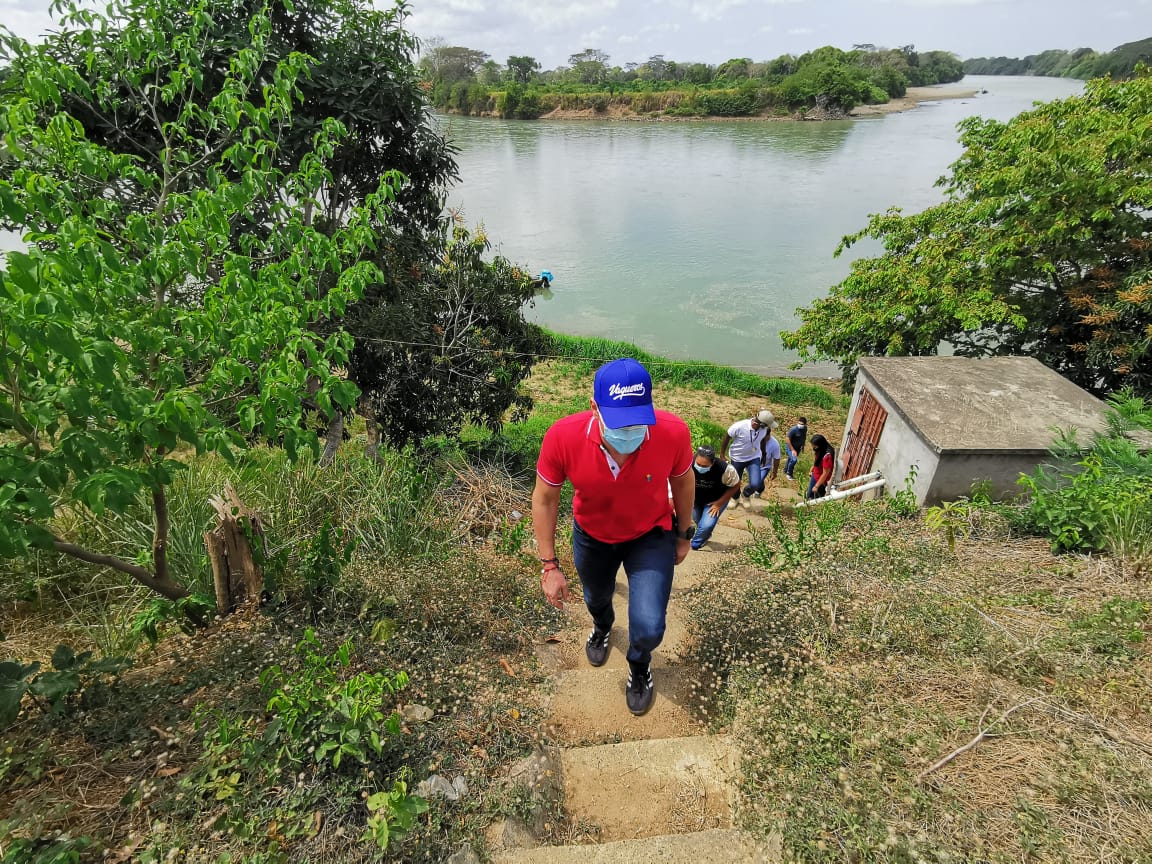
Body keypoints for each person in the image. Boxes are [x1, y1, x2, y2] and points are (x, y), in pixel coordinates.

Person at [532, 358, 695, 717]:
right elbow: (545, 498)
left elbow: (683, 481)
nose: (631, 432)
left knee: (650, 626)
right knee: (596, 597)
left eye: (638, 421)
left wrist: (685, 534)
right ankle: (603, 627)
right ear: (594, 408)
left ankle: (639, 665)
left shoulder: (672, 433)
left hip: (649, 535)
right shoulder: (563, 436)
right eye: (620, 423)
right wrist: (549, 565)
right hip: (592, 535)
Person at [720, 409, 781, 508]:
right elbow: (727, 436)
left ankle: (746, 495)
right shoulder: (739, 426)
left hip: (753, 457)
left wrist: (764, 455)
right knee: (736, 481)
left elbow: (762, 441)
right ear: (762, 424)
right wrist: (722, 454)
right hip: (737, 458)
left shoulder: (763, 430)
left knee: (756, 483)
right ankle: (735, 498)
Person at [690, 445, 741, 550]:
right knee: (697, 519)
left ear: (712, 463)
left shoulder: (725, 469)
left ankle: (695, 544)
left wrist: (719, 503)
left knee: (706, 525)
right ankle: (705, 534)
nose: (700, 467)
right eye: (698, 464)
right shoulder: (688, 463)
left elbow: (736, 484)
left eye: (704, 466)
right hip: (695, 499)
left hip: (715, 500)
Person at [807, 433, 835, 500]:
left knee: (813, 499)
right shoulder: (821, 450)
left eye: (815, 446)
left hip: (820, 481)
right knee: (809, 495)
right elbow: (817, 460)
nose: (813, 448)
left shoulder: (827, 456)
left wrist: (816, 486)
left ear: (820, 445)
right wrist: (812, 468)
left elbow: (825, 473)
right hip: (815, 475)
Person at [785, 416, 807, 481]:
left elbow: (804, 437)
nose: (800, 425)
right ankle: (789, 473)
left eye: (802, 424)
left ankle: (785, 470)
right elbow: (787, 439)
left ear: (805, 424)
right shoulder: (793, 429)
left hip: (798, 447)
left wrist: (803, 446)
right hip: (790, 447)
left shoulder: (805, 429)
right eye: (799, 423)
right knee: (794, 460)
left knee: (790, 459)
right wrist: (792, 450)